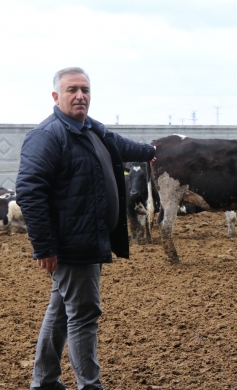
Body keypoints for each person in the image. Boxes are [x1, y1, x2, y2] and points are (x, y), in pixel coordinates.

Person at [16, 67, 156, 390]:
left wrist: (152, 151)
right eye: (72, 90)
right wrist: (44, 247)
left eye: (85, 90)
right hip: (72, 244)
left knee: (62, 312)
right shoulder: (48, 135)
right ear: (56, 96)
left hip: (89, 239)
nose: (80, 96)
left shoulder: (91, 129)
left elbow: (120, 146)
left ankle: (45, 381)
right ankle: (89, 386)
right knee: (84, 315)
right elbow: (29, 191)